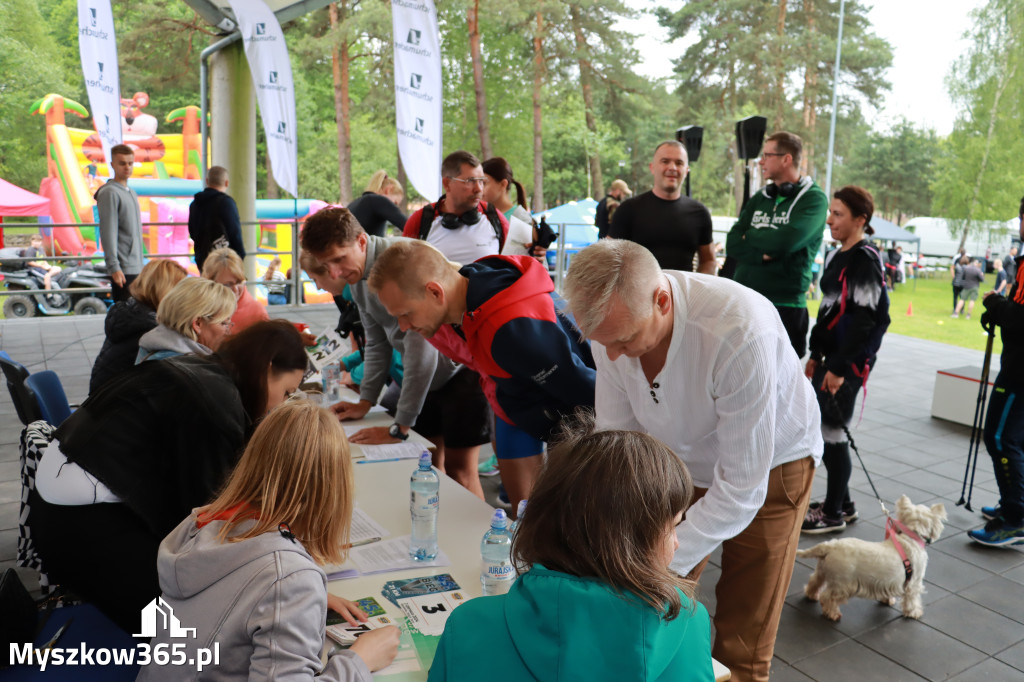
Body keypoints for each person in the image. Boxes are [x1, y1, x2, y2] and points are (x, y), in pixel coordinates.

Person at [562, 239, 821, 682]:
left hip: (772, 467)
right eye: (601, 343)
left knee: (743, 637)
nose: (611, 356)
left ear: (661, 300)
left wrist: (654, 561)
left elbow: (741, 490)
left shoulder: (739, 331)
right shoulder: (614, 330)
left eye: (623, 340)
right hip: (675, 460)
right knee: (650, 605)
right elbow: (618, 439)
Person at [28, 321, 307, 632]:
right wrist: (292, 582)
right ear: (267, 368)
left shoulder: (204, 368)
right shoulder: (215, 402)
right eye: (286, 392)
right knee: (194, 632)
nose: (280, 405)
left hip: (67, 509)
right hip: (82, 529)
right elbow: (208, 521)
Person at [428, 417, 714, 682]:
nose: (677, 542)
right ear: (627, 542)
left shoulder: (468, 625)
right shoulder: (689, 621)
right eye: (672, 527)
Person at [139, 400, 400, 681]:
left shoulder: (205, 523)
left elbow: (234, 593)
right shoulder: (288, 579)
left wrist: (289, 597)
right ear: (333, 489)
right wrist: (359, 661)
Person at [368, 239, 597, 513]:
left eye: (406, 314)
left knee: (570, 518)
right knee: (525, 515)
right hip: (513, 401)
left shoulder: (513, 331)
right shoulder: (450, 306)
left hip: (572, 408)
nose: (403, 327)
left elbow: (589, 393)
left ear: (434, 292)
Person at [301, 207, 489, 499]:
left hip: (461, 374)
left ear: (362, 242)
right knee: (429, 467)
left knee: (460, 473)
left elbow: (421, 350)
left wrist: (399, 427)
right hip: (428, 379)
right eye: (328, 266)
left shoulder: (401, 262)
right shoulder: (359, 276)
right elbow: (376, 343)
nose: (336, 273)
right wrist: (365, 401)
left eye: (340, 259)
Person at [802, 187, 890, 533]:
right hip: (830, 358)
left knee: (833, 434)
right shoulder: (841, 252)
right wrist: (816, 354)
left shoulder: (864, 258)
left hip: (847, 363)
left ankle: (833, 512)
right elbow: (829, 310)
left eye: (838, 214)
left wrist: (838, 368)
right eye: (831, 213)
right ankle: (845, 504)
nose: (830, 220)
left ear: (860, 220)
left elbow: (864, 319)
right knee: (828, 432)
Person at [725, 131, 828, 358]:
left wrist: (750, 236)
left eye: (767, 155)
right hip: (746, 302)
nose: (761, 161)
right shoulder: (761, 197)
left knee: (780, 387)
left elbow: (787, 241)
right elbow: (732, 241)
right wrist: (762, 254)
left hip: (785, 308)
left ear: (786, 159)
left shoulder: (814, 199)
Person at [969, 198, 1024, 548]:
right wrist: (1000, 312)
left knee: (1001, 438)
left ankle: (1015, 518)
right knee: (1016, 440)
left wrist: (996, 304)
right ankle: (1015, 505)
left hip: (1020, 372)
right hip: (1017, 362)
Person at [610, 141, 716, 274]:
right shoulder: (628, 210)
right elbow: (608, 259)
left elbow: (709, 260)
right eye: (665, 161)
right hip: (637, 293)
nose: (672, 167)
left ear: (687, 170)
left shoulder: (700, 213)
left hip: (682, 294)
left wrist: (699, 289)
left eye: (679, 163)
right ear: (652, 167)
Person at [89, 259, 188, 394]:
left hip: (100, 401)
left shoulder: (132, 312)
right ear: (166, 291)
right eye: (182, 291)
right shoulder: (150, 328)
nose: (185, 298)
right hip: (115, 408)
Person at [402, 150, 510, 265]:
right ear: (447, 183)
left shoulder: (495, 218)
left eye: (481, 181)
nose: (479, 189)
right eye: (470, 181)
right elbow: (404, 270)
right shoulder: (420, 220)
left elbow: (515, 266)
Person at [136, 276, 238, 361]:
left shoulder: (152, 348)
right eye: (224, 323)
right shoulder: (191, 369)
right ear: (198, 324)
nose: (228, 332)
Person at [96, 143, 143, 302]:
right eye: (122, 163)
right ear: (112, 165)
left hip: (136, 265)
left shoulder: (132, 193)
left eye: (130, 163)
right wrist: (114, 266)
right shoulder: (109, 192)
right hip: (123, 268)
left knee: (135, 314)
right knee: (124, 316)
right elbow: (108, 231)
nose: (127, 167)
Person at [480, 157, 546, 261]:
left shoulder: (521, 219)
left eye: (484, 183)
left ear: (503, 184)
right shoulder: (479, 214)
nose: (479, 188)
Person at [188, 165, 244, 272]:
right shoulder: (227, 203)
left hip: (203, 261)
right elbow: (235, 234)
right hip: (225, 262)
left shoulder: (194, 204)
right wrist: (240, 258)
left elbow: (192, 232)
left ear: (207, 181)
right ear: (226, 183)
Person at [203, 247, 269, 332]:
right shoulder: (198, 309)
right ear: (211, 283)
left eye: (239, 282)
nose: (235, 289)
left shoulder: (257, 313)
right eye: (227, 284)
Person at [346, 170, 408, 237]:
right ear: (389, 189)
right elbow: (409, 226)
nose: (395, 207)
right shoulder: (378, 200)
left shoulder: (354, 203)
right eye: (395, 203)